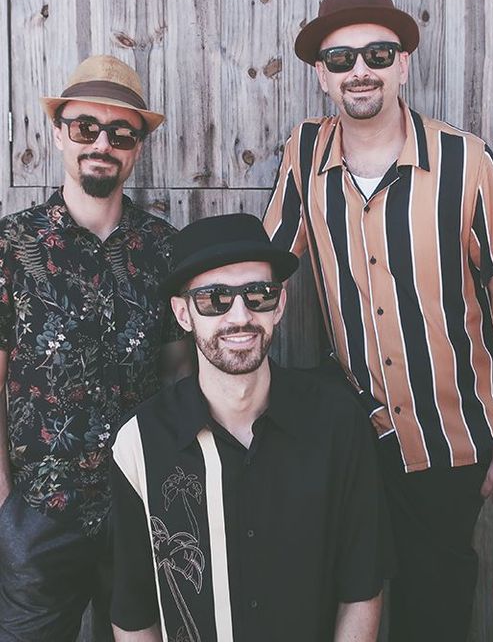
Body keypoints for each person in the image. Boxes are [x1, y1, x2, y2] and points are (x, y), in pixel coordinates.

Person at [264, 0, 493, 641]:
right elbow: (267, 272)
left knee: (433, 604)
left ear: (403, 64)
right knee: (342, 591)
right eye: (341, 59)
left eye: (378, 54)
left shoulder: (465, 160)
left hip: (453, 434)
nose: (360, 70)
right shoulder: (304, 154)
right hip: (355, 431)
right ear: (322, 75)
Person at [110, 213, 388, 642]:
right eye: (214, 299)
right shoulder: (139, 443)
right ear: (183, 314)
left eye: (259, 294)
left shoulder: (338, 425)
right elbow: (133, 613)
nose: (240, 316)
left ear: (280, 304)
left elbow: (362, 589)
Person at [0, 55, 189, 641]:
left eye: (120, 133)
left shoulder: (164, 249)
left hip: (139, 507)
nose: (101, 144)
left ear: (136, 149)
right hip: (37, 511)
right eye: (85, 127)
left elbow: (180, 375)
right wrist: (5, 504)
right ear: (59, 133)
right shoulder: (12, 244)